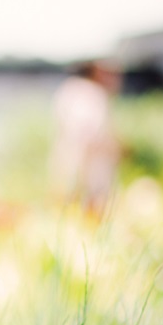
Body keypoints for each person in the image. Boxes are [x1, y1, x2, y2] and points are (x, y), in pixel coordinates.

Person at [49, 60, 121, 215]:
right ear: (96, 71)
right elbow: (89, 135)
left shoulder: (68, 90)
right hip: (89, 175)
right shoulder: (91, 94)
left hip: (68, 168)